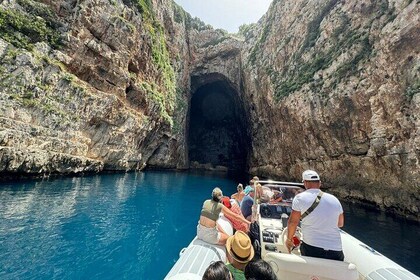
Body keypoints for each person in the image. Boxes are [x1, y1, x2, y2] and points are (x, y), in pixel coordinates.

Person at [286, 170, 345, 261]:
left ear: (305, 183)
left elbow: (293, 223)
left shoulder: (299, 198)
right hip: (336, 250)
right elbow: (340, 223)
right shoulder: (334, 199)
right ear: (319, 183)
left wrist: (289, 240)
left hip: (312, 248)